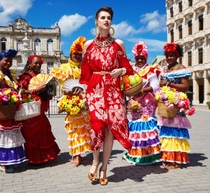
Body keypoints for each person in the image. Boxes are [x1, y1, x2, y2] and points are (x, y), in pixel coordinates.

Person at [79, 6, 133, 185]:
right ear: (96, 21)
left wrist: (121, 69)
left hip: (113, 90)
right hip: (95, 89)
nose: (106, 20)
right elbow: (85, 73)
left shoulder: (119, 43)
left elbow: (129, 69)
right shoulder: (88, 44)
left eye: (109, 17)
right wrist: (83, 95)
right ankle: (95, 162)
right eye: (102, 17)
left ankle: (104, 167)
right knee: (96, 126)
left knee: (110, 130)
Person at [50, 36, 92, 167]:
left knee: (83, 129)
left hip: (83, 101)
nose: (78, 57)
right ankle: (75, 155)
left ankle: (81, 153)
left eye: (80, 55)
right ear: (70, 54)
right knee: (74, 129)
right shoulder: (64, 67)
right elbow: (63, 86)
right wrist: (68, 91)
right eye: (75, 54)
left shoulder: (84, 68)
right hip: (71, 101)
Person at [0, 49, 26, 173]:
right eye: (6, 60)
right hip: (3, 108)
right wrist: (7, 95)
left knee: (12, 134)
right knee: (4, 135)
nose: (8, 63)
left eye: (10, 61)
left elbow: (14, 89)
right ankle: (3, 163)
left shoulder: (10, 74)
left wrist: (18, 92)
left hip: (11, 108)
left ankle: (12, 160)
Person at [123, 41, 161, 165]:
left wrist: (142, 89)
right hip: (134, 101)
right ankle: (136, 153)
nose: (139, 60)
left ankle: (148, 154)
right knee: (135, 127)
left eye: (142, 58)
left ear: (146, 57)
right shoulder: (132, 70)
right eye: (137, 58)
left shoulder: (150, 69)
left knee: (145, 126)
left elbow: (155, 86)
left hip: (147, 102)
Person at [17, 54, 60, 165]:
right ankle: (34, 159)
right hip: (31, 110)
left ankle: (45, 157)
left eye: (39, 63)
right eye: (35, 63)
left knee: (43, 131)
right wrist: (36, 90)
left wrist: (48, 92)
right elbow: (21, 92)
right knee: (33, 134)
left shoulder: (40, 76)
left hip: (39, 110)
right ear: (29, 64)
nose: (37, 65)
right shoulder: (25, 77)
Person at [158, 42, 192, 169]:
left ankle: (176, 159)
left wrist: (169, 85)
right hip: (166, 104)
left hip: (177, 105)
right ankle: (168, 157)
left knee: (176, 133)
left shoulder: (181, 68)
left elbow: (185, 86)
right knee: (167, 133)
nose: (169, 58)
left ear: (177, 55)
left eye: (172, 55)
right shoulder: (165, 69)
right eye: (167, 55)